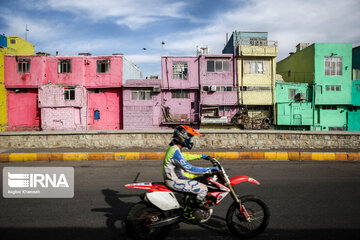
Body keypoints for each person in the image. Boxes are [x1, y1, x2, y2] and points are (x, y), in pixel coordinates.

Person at [163, 125, 219, 205]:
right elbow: (190, 169)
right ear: (183, 137)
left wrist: (201, 156)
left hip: (176, 178)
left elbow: (185, 156)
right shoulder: (175, 151)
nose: (190, 140)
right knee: (204, 189)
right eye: (189, 138)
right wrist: (209, 170)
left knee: (199, 180)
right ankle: (189, 212)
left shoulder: (174, 148)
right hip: (174, 181)